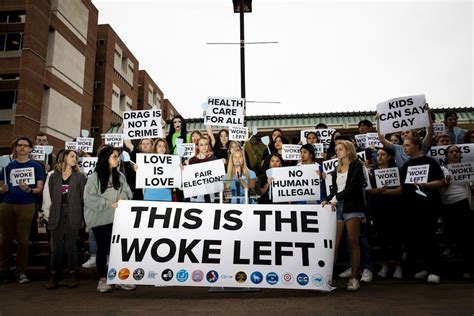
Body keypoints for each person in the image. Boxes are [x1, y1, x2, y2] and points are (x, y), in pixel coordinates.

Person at [83, 145, 134, 293]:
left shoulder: (120, 176)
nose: (117, 159)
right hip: (99, 220)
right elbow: (89, 198)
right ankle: (103, 280)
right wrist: (109, 203)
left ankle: (119, 279)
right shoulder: (94, 177)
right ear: (106, 159)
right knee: (102, 249)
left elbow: (128, 193)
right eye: (114, 157)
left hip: (117, 219)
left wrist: (122, 198)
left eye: (117, 156)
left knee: (117, 250)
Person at [399, 136, 445, 284]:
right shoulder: (406, 165)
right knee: (415, 240)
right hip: (411, 208)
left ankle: (435, 271)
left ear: (417, 145)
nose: (404, 148)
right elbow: (403, 187)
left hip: (429, 206)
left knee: (430, 238)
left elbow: (442, 182)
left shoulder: (430, 162)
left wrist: (426, 185)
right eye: (403, 145)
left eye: (407, 145)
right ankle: (424, 268)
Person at [0, 136, 45, 284]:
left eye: (25, 145)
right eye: (19, 145)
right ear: (15, 148)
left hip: (26, 205)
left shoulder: (36, 167)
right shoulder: (7, 167)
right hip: (7, 204)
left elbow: (40, 189)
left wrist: (29, 190)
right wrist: (3, 189)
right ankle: (4, 271)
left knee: (23, 240)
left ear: (30, 149)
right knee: (4, 240)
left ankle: (21, 272)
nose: (22, 147)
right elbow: (1, 186)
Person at [322, 140, 365, 291]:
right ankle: (327, 278)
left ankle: (354, 278)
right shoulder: (336, 168)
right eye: (336, 149)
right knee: (334, 243)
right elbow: (335, 190)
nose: (338, 152)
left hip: (352, 207)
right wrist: (326, 199)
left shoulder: (357, 165)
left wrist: (335, 198)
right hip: (337, 206)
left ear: (348, 150)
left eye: (341, 149)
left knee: (353, 241)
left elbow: (354, 187)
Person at [44, 150, 87, 289]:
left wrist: (83, 218)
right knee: (56, 246)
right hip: (57, 213)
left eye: (76, 157)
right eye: (72, 156)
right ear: (64, 158)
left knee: (71, 246)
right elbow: (51, 195)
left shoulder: (80, 177)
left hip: (74, 212)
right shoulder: (53, 177)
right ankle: (54, 274)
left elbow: (82, 199)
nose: (75, 159)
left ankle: (72, 274)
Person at [367, 147, 403, 279]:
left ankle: (398, 266)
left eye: (383, 154)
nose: (379, 157)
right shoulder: (372, 173)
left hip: (394, 208)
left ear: (389, 157)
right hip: (378, 208)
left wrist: (383, 191)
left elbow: (400, 190)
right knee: (382, 238)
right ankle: (385, 265)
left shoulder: (397, 171)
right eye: (378, 155)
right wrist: (379, 191)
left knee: (396, 238)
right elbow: (370, 191)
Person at [439, 145, 473, 279]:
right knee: (452, 236)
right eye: (451, 152)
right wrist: (444, 182)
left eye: (456, 152)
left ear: (460, 155)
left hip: (464, 202)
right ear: (446, 156)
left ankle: (469, 269)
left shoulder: (468, 169)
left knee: (466, 237)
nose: (454, 153)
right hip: (447, 205)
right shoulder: (442, 169)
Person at [188, 137, 217, 203]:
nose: (204, 147)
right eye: (201, 145)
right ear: (197, 146)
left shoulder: (213, 159)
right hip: (196, 194)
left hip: (210, 193)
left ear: (208, 145)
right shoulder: (192, 160)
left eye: (206, 144)